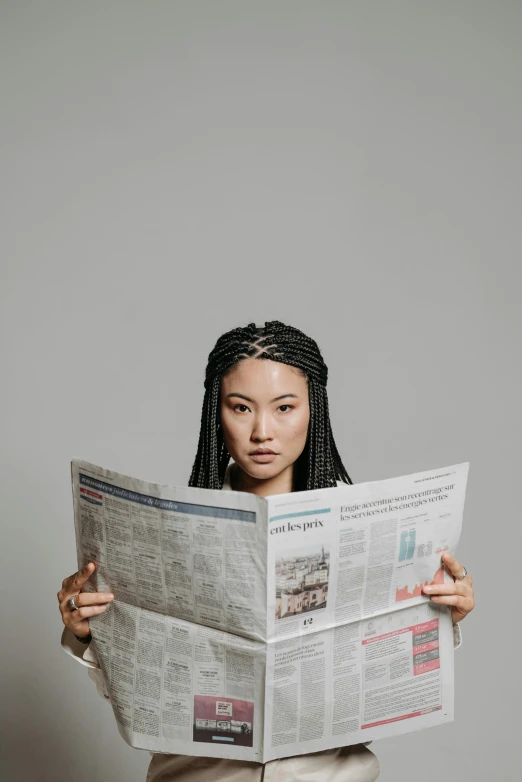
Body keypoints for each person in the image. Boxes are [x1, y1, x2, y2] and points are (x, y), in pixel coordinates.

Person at [57, 321, 475, 782]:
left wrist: (440, 617)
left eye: (284, 407)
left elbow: (387, 685)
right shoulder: (165, 533)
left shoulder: (364, 526)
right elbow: (143, 698)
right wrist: (85, 633)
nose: (262, 431)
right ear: (216, 413)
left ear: (313, 411)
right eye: (241, 407)